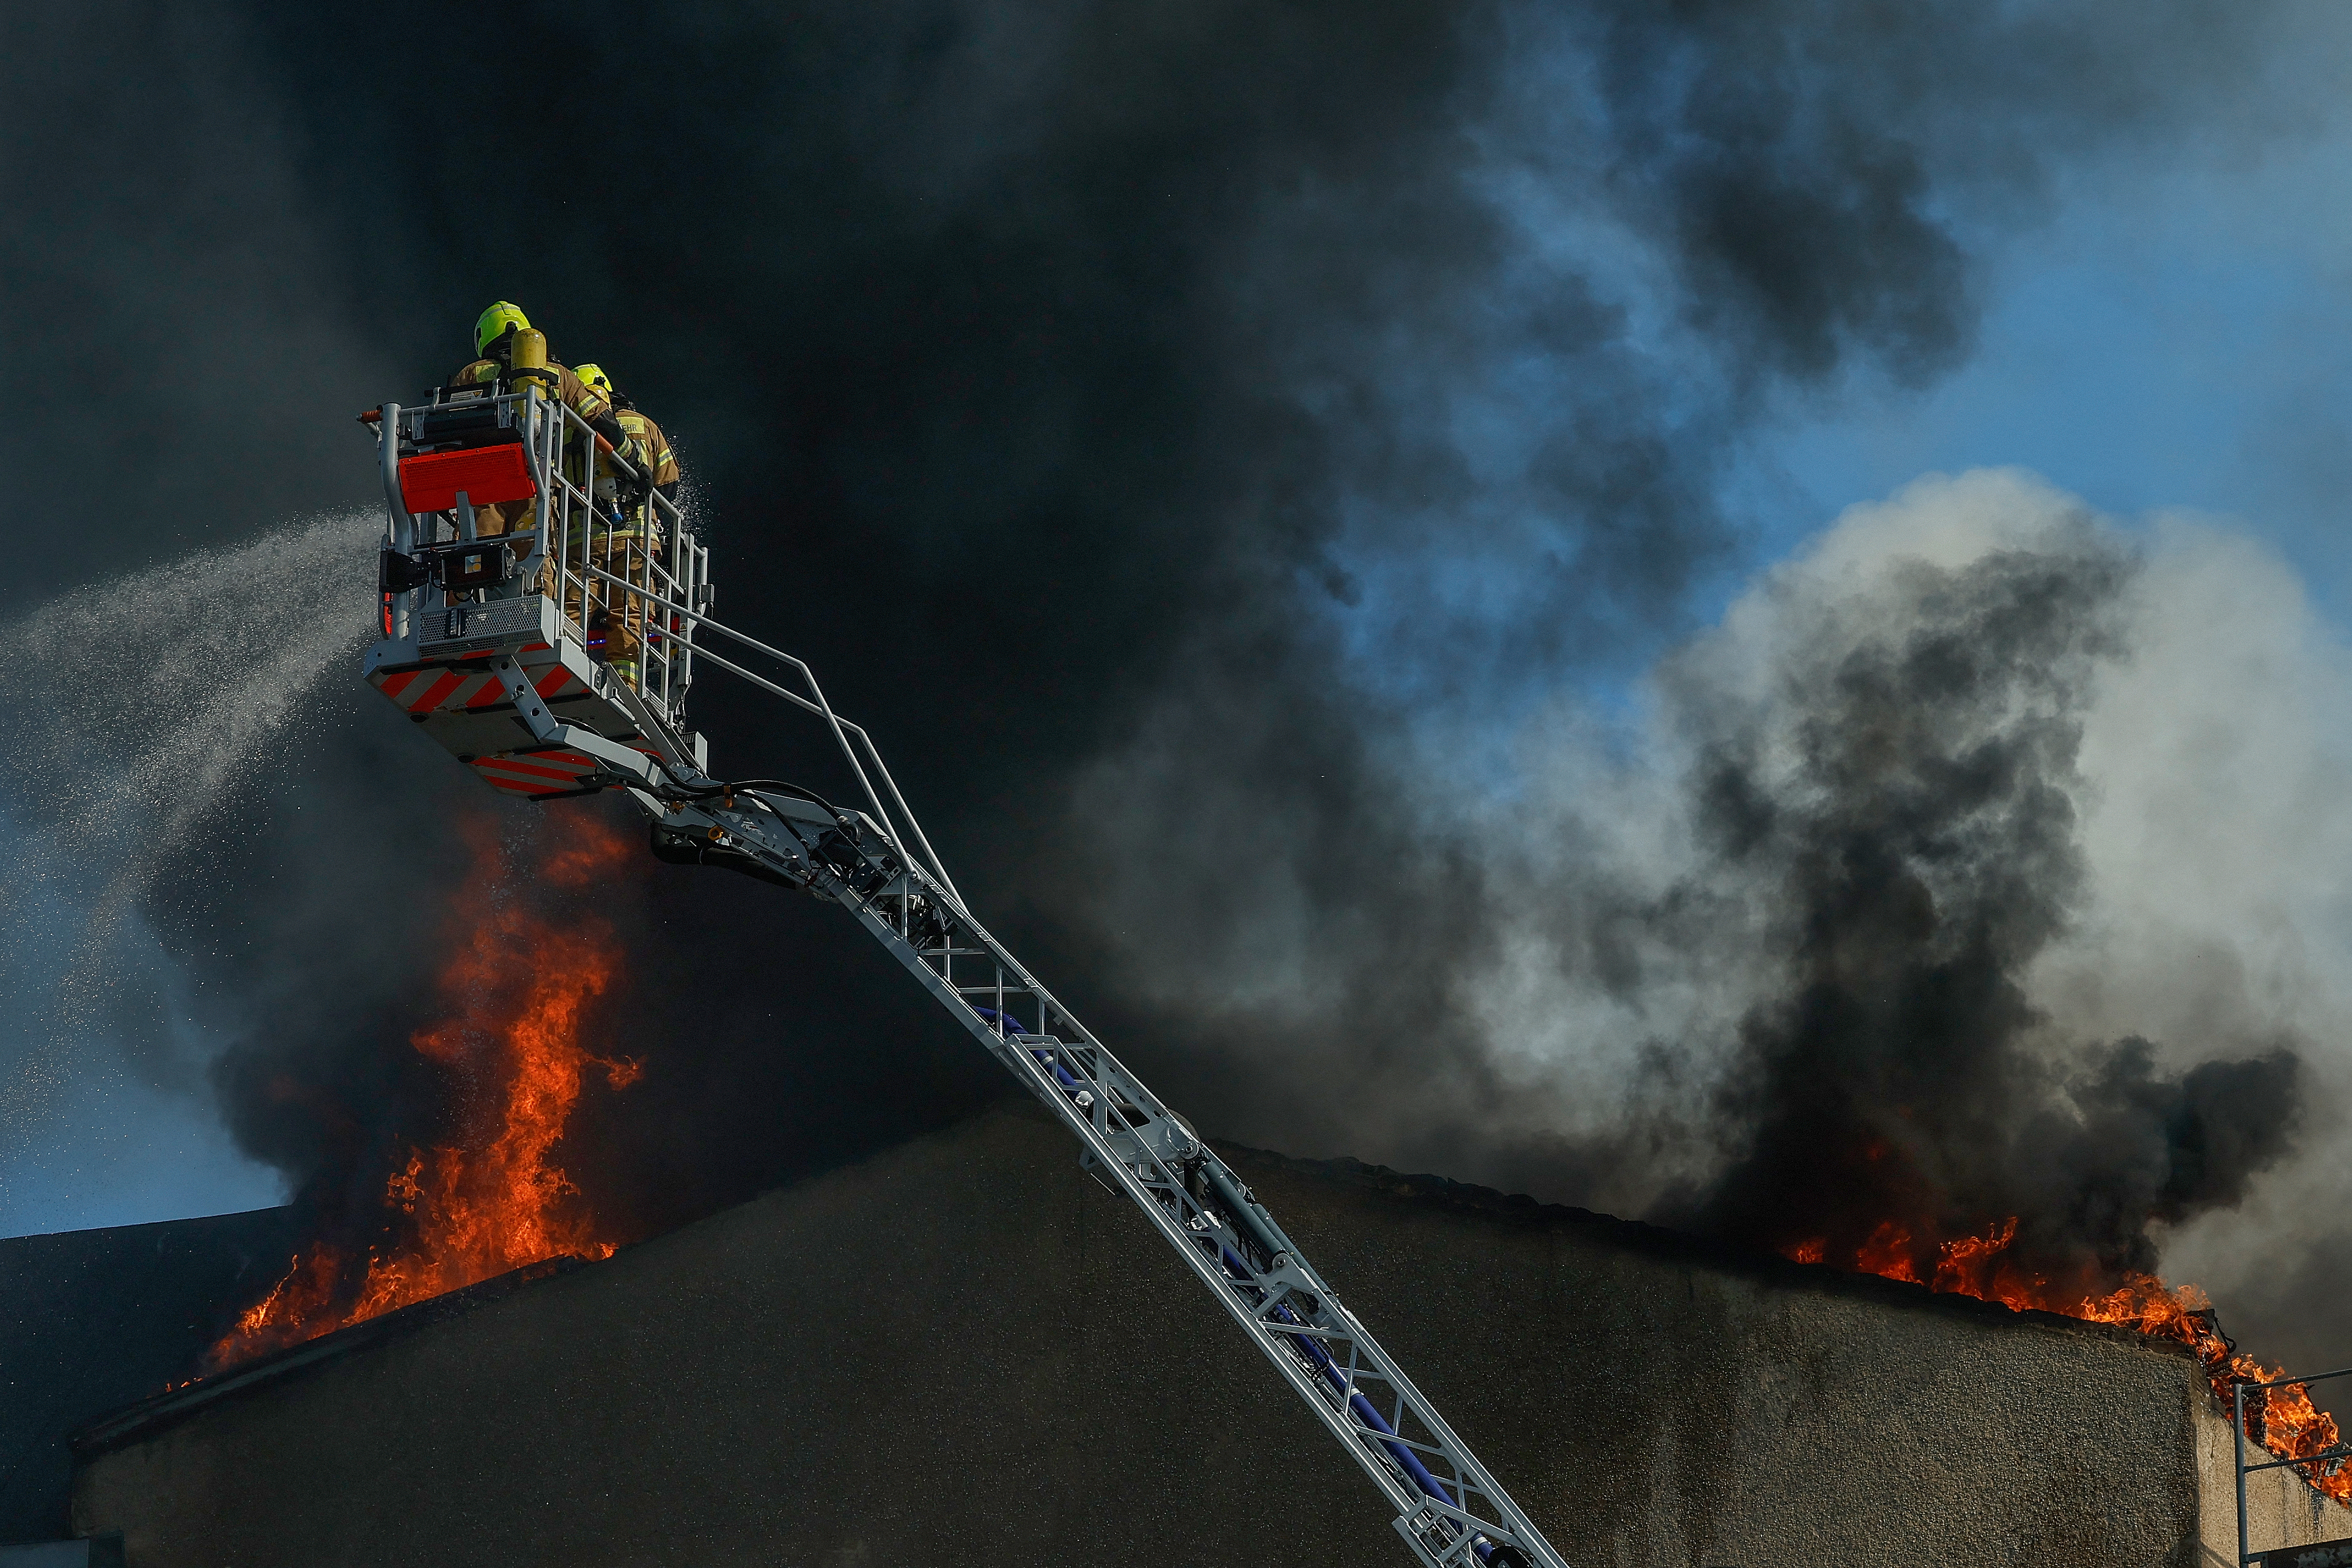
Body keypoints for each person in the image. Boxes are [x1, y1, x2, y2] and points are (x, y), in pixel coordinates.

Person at [446, 302, 643, 540]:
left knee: (476, 552)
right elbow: (600, 419)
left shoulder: (472, 374)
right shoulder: (558, 374)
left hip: (484, 480)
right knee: (535, 560)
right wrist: (632, 461)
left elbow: (448, 427)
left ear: (485, 335)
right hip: (537, 479)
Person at [570, 363, 682, 689]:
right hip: (637, 540)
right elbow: (668, 483)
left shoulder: (570, 425)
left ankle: (565, 666)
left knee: (574, 605)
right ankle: (625, 685)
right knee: (630, 613)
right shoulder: (644, 425)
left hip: (584, 538)